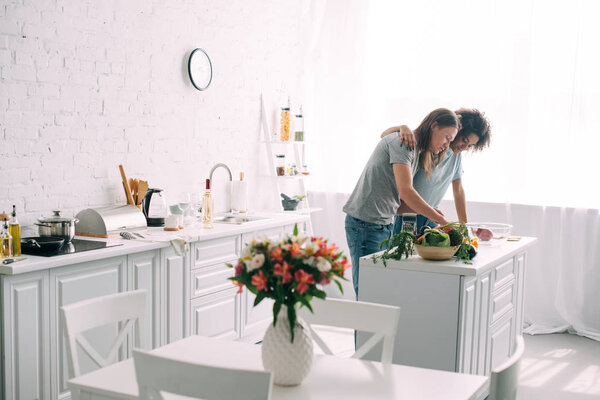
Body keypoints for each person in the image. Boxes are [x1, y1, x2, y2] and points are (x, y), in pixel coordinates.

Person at [343, 108, 459, 298]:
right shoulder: (404, 143)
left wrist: (430, 213)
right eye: (447, 137)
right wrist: (440, 219)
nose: (447, 145)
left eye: (451, 141)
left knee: (378, 294)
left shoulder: (414, 150)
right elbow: (406, 192)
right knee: (368, 294)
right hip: (365, 225)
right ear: (434, 126)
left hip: (382, 225)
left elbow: (397, 204)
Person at [381, 108, 491, 234]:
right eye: (465, 140)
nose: (465, 148)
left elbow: (458, 190)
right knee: (404, 252)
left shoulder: (456, 156)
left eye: (470, 146)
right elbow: (386, 137)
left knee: (432, 252)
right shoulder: (431, 147)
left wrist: (464, 226)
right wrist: (402, 127)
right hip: (408, 216)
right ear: (457, 130)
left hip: (432, 216)